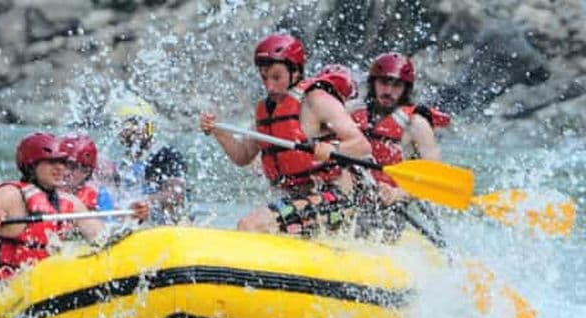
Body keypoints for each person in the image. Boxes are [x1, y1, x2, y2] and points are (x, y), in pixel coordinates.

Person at [0, 132, 148, 318]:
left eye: (63, 162)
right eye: (51, 162)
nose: (60, 168)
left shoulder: (69, 203)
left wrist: (132, 218)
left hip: (30, 295)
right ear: (31, 165)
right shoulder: (9, 195)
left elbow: (105, 239)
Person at [199, 34, 371, 236]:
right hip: (299, 201)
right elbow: (243, 155)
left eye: (276, 77)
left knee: (251, 225)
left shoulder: (316, 100)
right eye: (264, 77)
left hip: (338, 199)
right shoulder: (266, 110)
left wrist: (333, 149)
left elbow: (362, 146)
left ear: (295, 72)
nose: (269, 86)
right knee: (257, 223)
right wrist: (219, 131)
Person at [351, 52, 451, 206]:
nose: (388, 91)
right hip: (355, 195)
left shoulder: (416, 124)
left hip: (394, 205)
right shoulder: (351, 113)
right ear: (373, 83)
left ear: (406, 89)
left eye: (397, 85)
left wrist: (398, 194)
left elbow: (433, 177)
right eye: (384, 82)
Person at [113, 99, 191, 225]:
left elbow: (176, 194)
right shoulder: (123, 163)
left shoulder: (167, 156)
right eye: (126, 125)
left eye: (137, 124)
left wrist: (142, 202)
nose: (133, 129)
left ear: (149, 128)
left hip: (168, 225)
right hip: (138, 225)